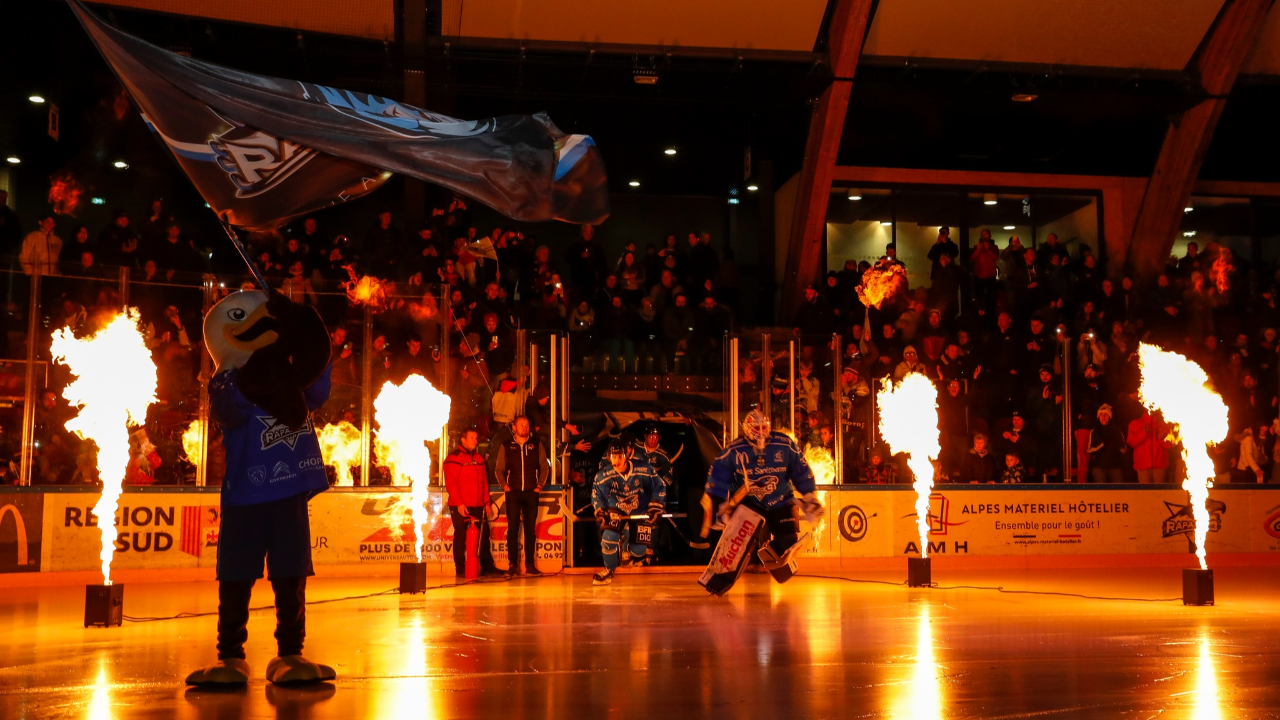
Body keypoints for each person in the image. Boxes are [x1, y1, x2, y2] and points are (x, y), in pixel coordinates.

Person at [702, 410, 823, 586]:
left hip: (781, 499)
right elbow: (718, 478)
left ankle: (771, 556)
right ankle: (717, 580)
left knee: (788, 541)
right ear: (747, 428)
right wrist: (717, 504)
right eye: (756, 428)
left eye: (763, 427)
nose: (760, 432)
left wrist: (810, 495)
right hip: (749, 503)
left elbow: (801, 470)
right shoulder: (734, 450)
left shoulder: (784, 445)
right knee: (736, 547)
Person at [591, 440, 665, 586]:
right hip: (615, 509)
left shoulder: (643, 469)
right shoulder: (603, 475)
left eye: (620, 456)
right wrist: (600, 511)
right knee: (608, 538)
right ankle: (609, 570)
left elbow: (659, 485)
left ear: (627, 455)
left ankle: (627, 547)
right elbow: (597, 495)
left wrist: (656, 505)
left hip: (640, 509)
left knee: (639, 551)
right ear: (608, 456)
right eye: (613, 456)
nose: (616, 461)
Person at [493, 416, 549, 576]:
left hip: (532, 492)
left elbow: (545, 467)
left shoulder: (536, 444)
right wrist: (505, 486)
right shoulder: (506, 445)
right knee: (512, 530)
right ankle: (512, 565)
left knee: (530, 530)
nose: (525, 427)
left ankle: (530, 565)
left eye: (527, 425)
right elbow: (498, 469)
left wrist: (539, 486)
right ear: (514, 428)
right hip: (513, 493)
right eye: (522, 425)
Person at [444, 429, 499, 578]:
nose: (475, 440)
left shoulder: (479, 458)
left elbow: (484, 482)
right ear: (463, 440)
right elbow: (451, 484)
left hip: (478, 505)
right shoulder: (453, 458)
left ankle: (487, 566)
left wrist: (486, 502)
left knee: (483, 535)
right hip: (460, 505)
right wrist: (459, 504)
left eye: (476, 438)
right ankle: (460, 567)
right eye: (472, 438)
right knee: (461, 535)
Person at [1087, 405, 1127, 483]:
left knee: (1117, 492)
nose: (1103, 417)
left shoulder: (1117, 430)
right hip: (1099, 467)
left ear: (1110, 416)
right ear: (1098, 416)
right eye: (1101, 414)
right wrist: (1102, 445)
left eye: (1106, 414)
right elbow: (1090, 450)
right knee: (1101, 493)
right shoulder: (1094, 431)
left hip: (1115, 467)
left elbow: (1124, 449)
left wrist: (1121, 448)